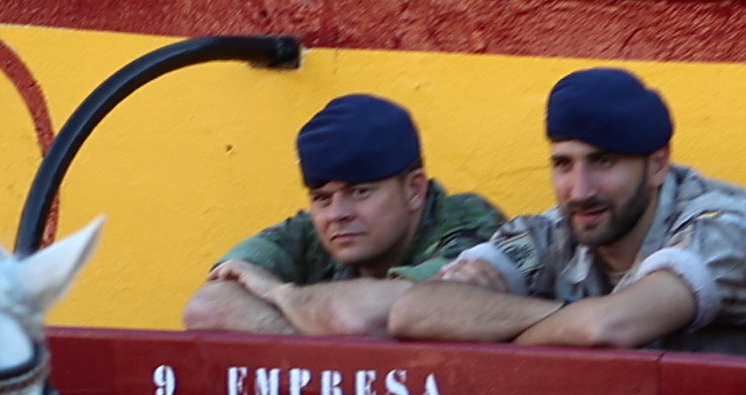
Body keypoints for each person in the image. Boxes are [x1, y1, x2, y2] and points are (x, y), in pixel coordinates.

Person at [316, 65, 746, 346]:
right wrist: (563, 323)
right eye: (564, 164)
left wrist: (494, 326)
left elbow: (609, 328)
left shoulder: (724, 224)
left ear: (658, 163)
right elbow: (414, 313)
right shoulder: (549, 232)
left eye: (603, 162)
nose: (579, 189)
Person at [186, 94, 513, 328]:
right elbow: (207, 307)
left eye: (360, 192)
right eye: (322, 198)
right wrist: (323, 341)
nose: (337, 214)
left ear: (414, 190)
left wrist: (277, 293)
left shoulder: (469, 226)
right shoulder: (310, 231)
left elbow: (357, 316)